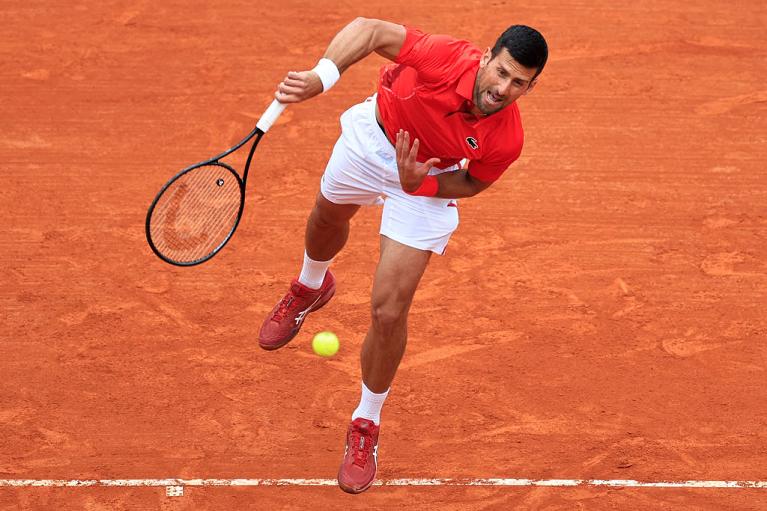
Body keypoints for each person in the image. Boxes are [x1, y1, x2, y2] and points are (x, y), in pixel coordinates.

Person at [258, 18, 547, 494]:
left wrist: (423, 183)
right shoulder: (443, 57)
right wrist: (322, 76)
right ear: (488, 57)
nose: (503, 88)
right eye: (501, 72)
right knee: (326, 219)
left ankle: (365, 422)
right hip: (374, 139)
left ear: (531, 86)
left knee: (388, 311)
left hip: (427, 179)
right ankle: (311, 285)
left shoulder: (507, 137)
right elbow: (369, 30)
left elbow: (474, 182)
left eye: (519, 83)